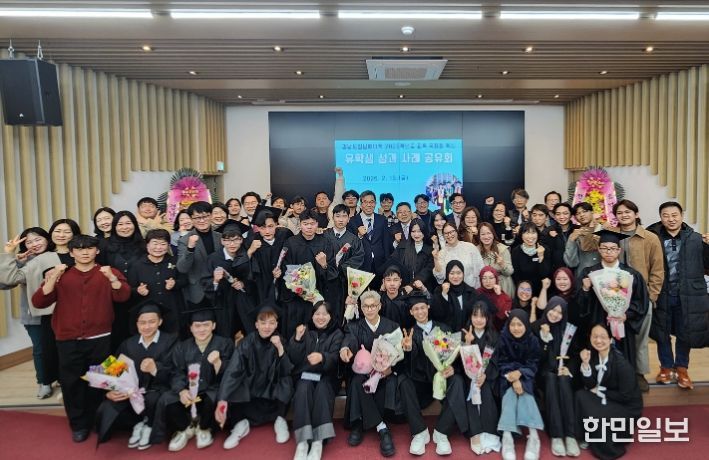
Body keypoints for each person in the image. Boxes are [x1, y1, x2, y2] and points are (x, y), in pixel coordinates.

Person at [32, 234, 131, 443]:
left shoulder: (108, 272)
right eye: (79, 249)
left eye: (89, 248)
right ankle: (78, 424)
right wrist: (53, 277)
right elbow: (39, 302)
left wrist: (112, 279)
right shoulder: (62, 274)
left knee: (101, 380)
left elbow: (123, 296)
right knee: (71, 383)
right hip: (67, 338)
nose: (84, 252)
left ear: (97, 251)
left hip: (101, 337)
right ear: (71, 253)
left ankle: (99, 419)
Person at [95, 302, 178, 449]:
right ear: (137, 324)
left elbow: (176, 372)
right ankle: (138, 424)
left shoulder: (171, 341)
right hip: (131, 394)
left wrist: (155, 369)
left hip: (158, 392)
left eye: (152, 322)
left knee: (153, 399)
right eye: (142, 323)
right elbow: (110, 371)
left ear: (160, 322)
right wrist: (109, 391)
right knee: (108, 406)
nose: (147, 326)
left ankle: (149, 426)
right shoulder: (128, 344)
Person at [153, 305, 235, 451]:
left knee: (215, 397)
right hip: (189, 391)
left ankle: (205, 428)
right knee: (167, 399)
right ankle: (185, 428)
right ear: (191, 328)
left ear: (214, 326)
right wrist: (181, 390)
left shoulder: (225, 344)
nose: (201, 329)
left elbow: (231, 373)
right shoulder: (181, 347)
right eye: (197, 326)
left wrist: (218, 363)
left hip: (211, 389)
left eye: (206, 325)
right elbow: (177, 372)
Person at [648, 201, 709, 390]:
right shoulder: (652, 238)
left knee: (685, 332)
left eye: (674, 215)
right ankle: (666, 367)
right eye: (666, 215)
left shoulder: (696, 239)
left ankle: (682, 368)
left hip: (688, 295)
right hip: (662, 293)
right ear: (661, 218)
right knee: (662, 332)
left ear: (682, 216)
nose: (671, 219)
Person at [215, 305, 293, 450]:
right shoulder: (246, 343)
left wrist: (280, 348)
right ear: (256, 325)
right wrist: (222, 399)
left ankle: (280, 419)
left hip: (272, 391)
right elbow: (233, 370)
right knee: (235, 380)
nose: (267, 327)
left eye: (271, 323)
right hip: (251, 390)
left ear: (276, 324)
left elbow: (286, 369)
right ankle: (241, 424)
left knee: (286, 381)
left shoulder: (280, 340)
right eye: (263, 323)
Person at [400, 294, 469, 456]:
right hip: (421, 384)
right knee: (403, 381)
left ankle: (442, 432)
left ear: (428, 308)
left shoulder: (443, 328)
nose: (420, 312)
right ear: (411, 312)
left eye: (423, 307)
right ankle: (419, 432)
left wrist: (452, 368)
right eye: (416, 309)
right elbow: (407, 362)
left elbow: (454, 354)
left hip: (441, 380)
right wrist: (408, 349)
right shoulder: (409, 333)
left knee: (458, 381)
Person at [611, 199, 665, 392]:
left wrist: (651, 296)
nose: (624, 215)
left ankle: (639, 373)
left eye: (628, 212)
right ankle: (620, 373)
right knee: (617, 336)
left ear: (636, 214)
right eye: (619, 212)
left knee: (640, 338)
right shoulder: (611, 235)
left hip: (642, 297)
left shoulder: (650, 238)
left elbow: (657, 270)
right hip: (615, 295)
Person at [340, 291, 402, 457]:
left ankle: (359, 422)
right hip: (363, 371)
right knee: (356, 381)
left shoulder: (392, 326)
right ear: (361, 308)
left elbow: (398, 352)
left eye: (373, 305)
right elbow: (349, 340)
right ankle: (380, 427)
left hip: (384, 372)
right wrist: (345, 349)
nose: (369, 309)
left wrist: (390, 368)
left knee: (386, 381)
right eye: (366, 306)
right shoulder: (354, 326)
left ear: (379, 306)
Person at [577, 230, 649, 370]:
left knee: (623, 361)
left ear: (619, 250)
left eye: (613, 248)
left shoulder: (630, 274)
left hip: (622, 325)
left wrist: (626, 315)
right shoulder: (589, 273)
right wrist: (585, 289)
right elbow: (579, 304)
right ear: (599, 249)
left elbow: (641, 302)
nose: (608, 252)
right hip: (597, 323)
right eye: (604, 248)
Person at [0, 227, 55, 398]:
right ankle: (44, 382)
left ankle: (59, 377)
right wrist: (14, 260)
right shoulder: (25, 260)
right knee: (40, 349)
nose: (34, 244)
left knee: (59, 347)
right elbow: (4, 283)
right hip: (34, 315)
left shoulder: (58, 256)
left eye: (38, 239)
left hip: (59, 312)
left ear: (47, 239)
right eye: (29, 242)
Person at [575, 323, 643, 460]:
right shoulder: (594, 356)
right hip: (609, 398)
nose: (598, 340)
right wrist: (586, 364)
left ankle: (609, 448)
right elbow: (590, 384)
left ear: (611, 339)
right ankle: (585, 436)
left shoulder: (622, 364)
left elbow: (626, 396)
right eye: (595, 336)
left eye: (602, 337)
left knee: (596, 414)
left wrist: (600, 392)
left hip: (627, 407)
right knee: (580, 395)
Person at [287, 302, 344, 460]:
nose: (320, 317)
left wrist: (323, 357)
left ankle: (318, 441)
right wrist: (297, 340)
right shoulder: (304, 330)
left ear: (330, 316)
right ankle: (303, 442)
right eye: (317, 314)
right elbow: (293, 358)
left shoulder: (337, 333)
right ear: (312, 316)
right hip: (307, 375)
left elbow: (336, 358)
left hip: (327, 376)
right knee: (303, 388)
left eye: (324, 314)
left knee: (323, 389)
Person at [531, 296, 580, 457]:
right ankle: (556, 435)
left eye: (560, 312)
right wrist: (544, 339)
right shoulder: (536, 327)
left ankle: (570, 435)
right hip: (542, 373)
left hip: (562, 371)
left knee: (563, 380)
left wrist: (568, 369)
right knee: (551, 379)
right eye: (553, 310)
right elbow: (535, 358)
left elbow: (575, 355)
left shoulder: (568, 330)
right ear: (547, 309)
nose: (555, 314)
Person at [280, 209, 338, 338]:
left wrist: (324, 265)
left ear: (317, 224)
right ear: (300, 224)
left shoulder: (325, 242)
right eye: (305, 223)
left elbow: (333, 273)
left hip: (318, 297)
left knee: (316, 334)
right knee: (296, 333)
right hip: (296, 298)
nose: (309, 227)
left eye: (312, 223)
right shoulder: (291, 243)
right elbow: (286, 270)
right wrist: (303, 292)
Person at [496, 309, 544, 460]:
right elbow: (500, 362)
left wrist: (520, 374)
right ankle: (507, 437)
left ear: (526, 325)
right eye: (513, 324)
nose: (516, 328)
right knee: (510, 392)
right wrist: (514, 377)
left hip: (527, 376)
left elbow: (534, 363)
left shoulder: (532, 340)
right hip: (506, 376)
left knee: (525, 390)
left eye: (520, 324)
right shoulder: (503, 338)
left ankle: (533, 437)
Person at [99, 211, 147, 349]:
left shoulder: (144, 245)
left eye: (128, 223)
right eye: (120, 224)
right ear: (114, 226)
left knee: (139, 336)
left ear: (135, 225)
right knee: (116, 338)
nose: (125, 227)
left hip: (140, 298)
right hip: (114, 299)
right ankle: (117, 363)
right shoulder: (104, 245)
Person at [461, 301, 500, 455]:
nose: (478, 320)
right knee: (471, 388)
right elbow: (460, 361)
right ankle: (475, 433)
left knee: (485, 390)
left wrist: (485, 375)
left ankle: (489, 432)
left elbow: (496, 360)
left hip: (488, 376)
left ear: (487, 318)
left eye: (482, 316)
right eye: (475, 316)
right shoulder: (465, 334)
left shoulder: (494, 336)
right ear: (470, 317)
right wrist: (467, 342)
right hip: (468, 375)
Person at [128, 229, 184, 335]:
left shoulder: (175, 261)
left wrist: (175, 284)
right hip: (148, 316)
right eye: (155, 243)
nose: (158, 247)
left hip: (172, 312)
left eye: (163, 244)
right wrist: (138, 291)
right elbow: (130, 289)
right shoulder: (136, 265)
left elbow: (185, 280)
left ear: (168, 245)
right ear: (147, 245)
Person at [204, 226, 257, 339]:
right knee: (226, 335)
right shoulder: (213, 259)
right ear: (222, 241)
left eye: (236, 240)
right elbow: (205, 282)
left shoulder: (247, 255)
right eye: (227, 240)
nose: (232, 244)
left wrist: (243, 284)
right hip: (224, 304)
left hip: (245, 303)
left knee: (250, 333)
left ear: (241, 240)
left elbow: (256, 279)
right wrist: (215, 280)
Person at [323, 204, 364, 325]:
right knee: (325, 309)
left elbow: (358, 257)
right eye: (338, 216)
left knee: (341, 311)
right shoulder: (324, 235)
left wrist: (340, 268)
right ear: (333, 217)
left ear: (348, 219)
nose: (341, 219)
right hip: (325, 280)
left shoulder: (353, 239)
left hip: (343, 281)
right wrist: (328, 268)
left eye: (344, 216)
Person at [176, 201, 223, 304]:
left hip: (221, 287)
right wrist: (190, 248)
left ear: (211, 216)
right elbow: (182, 268)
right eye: (197, 218)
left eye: (205, 216)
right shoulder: (185, 240)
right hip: (198, 291)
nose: (202, 220)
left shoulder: (220, 236)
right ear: (191, 219)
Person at [247, 208, 293, 305]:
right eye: (263, 227)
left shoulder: (285, 235)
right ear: (257, 228)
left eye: (270, 226)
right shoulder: (253, 240)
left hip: (284, 287)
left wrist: (283, 270)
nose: (267, 231)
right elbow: (245, 269)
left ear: (276, 224)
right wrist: (250, 251)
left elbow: (294, 258)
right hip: (264, 287)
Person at [431, 261, 491, 331]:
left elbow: (483, 311)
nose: (455, 276)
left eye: (459, 273)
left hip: (467, 333)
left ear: (463, 274)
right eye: (452, 273)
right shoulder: (439, 290)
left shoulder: (470, 291)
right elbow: (437, 314)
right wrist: (444, 295)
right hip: (445, 334)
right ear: (447, 274)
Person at [380, 218, 435, 293]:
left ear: (424, 231)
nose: (416, 234)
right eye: (413, 231)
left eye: (419, 231)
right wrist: (385, 282)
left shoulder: (429, 250)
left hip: (422, 288)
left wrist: (412, 285)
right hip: (403, 289)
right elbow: (392, 263)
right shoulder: (402, 246)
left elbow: (427, 271)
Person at [347, 190, 393, 274]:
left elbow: (386, 242)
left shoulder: (382, 219)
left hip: (380, 264)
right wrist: (359, 235)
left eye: (372, 202)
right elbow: (350, 245)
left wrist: (387, 262)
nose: (369, 205)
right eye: (365, 202)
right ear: (361, 204)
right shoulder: (352, 221)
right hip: (361, 264)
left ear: (375, 204)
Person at [433, 221, 485, 289]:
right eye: (446, 233)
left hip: (472, 289)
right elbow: (440, 277)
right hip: (452, 291)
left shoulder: (470, 247)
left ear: (456, 232)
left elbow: (480, 269)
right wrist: (436, 259)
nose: (449, 235)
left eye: (452, 232)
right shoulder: (442, 253)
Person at [511, 223, 552, 295]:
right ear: (521, 235)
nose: (530, 236)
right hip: (523, 292)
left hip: (542, 291)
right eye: (527, 233)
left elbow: (545, 275)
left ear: (537, 234)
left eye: (533, 233)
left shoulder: (545, 249)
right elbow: (516, 276)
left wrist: (541, 257)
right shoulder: (516, 251)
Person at [564, 202, 602, 277]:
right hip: (582, 276)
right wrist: (571, 240)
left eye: (585, 211)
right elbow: (571, 263)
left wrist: (591, 228)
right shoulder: (576, 234)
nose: (581, 215)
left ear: (592, 212)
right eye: (578, 213)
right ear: (575, 218)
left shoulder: (604, 229)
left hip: (602, 276)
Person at [477, 222, 515, 297]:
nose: (486, 236)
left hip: (502, 285)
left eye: (489, 233)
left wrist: (502, 264)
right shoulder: (476, 250)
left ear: (493, 234)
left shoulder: (502, 249)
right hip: (485, 286)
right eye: (483, 234)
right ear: (479, 236)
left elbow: (510, 272)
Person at [541, 202, 577, 271]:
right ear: (554, 216)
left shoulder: (577, 230)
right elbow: (545, 255)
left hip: (575, 271)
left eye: (565, 213)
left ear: (571, 215)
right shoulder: (547, 232)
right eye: (558, 214)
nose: (562, 217)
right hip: (556, 271)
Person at [477, 266, 512, 330]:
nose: (488, 281)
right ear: (481, 280)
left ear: (496, 279)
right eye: (484, 278)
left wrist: (499, 295)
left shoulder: (503, 295)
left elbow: (502, 315)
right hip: (480, 328)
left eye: (491, 278)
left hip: (498, 330)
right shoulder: (476, 293)